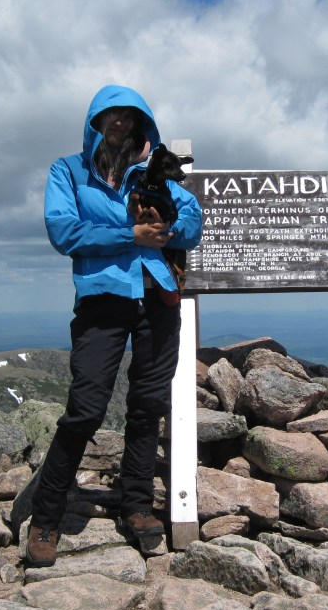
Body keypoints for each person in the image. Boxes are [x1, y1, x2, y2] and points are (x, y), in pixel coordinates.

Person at [26, 85, 202, 568]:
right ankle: (46, 517)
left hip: (157, 297)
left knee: (148, 403)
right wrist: (131, 234)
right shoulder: (68, 170)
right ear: (95, 123)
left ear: (143, 124)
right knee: (85, 408)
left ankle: (138, 506)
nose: (120, 125)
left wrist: (164, 224)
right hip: (102, 298)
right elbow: (62, 230)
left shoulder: (154, 170)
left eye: (129, 118)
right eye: (111, 118)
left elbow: (192, 220)